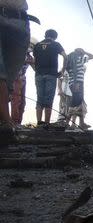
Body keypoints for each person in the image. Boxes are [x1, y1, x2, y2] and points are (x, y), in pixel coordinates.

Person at [0, 0, 30, 135]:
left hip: (20, 20)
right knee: (1, 75)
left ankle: (5, 120)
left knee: (9, 77)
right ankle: (6, 120)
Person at [33, 29, 67, 125]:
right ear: (55, 37)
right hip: (51, 74)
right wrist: (63, 70)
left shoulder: (37, 45)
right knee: (49, 99)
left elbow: (35, 61)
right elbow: (65, 56)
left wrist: (38, 71)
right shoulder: (56, 44)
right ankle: (46, 124)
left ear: (45, 35)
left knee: (39, 98)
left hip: (39, 75)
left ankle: (39, 123)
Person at [66, 48, 93, 130]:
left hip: (73, 83)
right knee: (75, 104)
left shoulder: (70, 60)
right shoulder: (79, 59)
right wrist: (84, 52)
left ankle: (81, 123)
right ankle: (69, 124)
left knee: (79, 103)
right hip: (77, 83)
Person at [10, 41, 34, 125]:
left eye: (32, 46)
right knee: (16, 100)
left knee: (22, 102)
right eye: (30, 45)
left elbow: (35, 68)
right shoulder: (18, 52)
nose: (30, 48)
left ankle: (18, 122)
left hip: (23, 79)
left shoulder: (30, 57)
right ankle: (14, 122)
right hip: (15, 77)